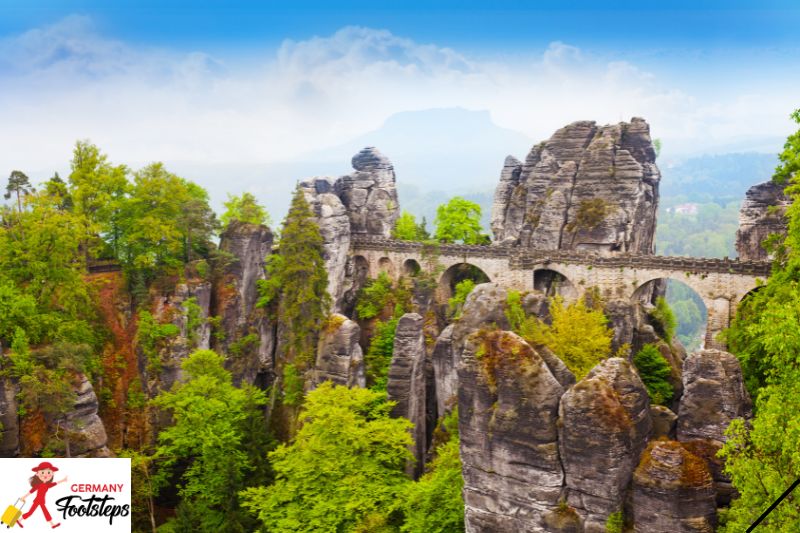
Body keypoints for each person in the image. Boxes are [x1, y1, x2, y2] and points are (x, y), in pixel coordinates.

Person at [15, 461, 67, 529]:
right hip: (38, 501)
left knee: (36, 512)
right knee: (33, 512)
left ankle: (52, 524)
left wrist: (63, 480)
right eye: (42, 472)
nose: (45, 475)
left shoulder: (47, 485)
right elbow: (31, 491)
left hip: (41, 501)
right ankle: (52, 524)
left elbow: (55, 483)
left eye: (49, 472)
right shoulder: (38, 485)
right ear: (37, 474)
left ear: (52, 474)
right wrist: (24, 497)